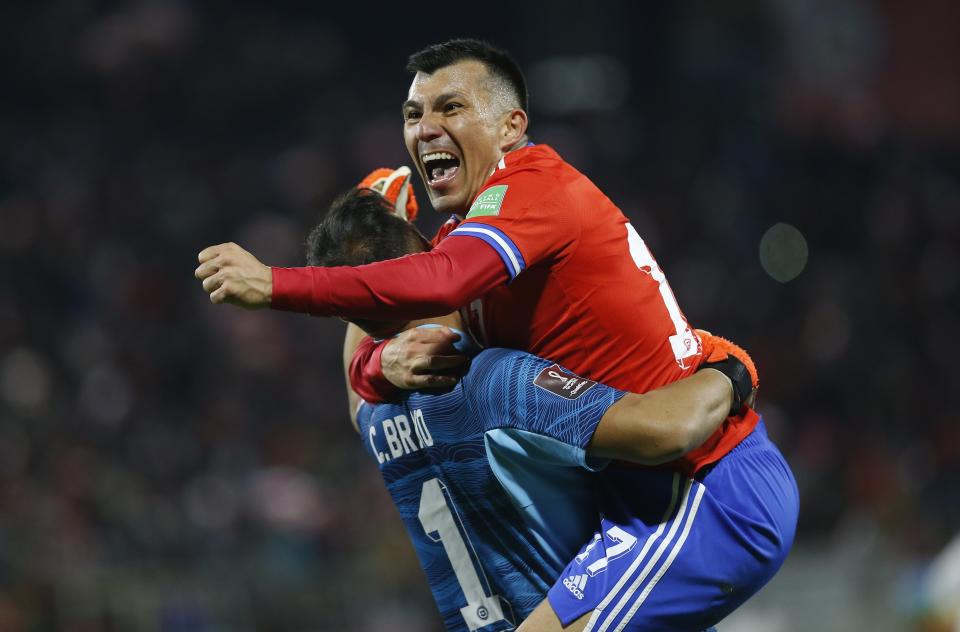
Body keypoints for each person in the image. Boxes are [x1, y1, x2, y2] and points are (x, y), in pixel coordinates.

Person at [194, 39, 799, 629]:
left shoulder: (535, 192)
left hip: (705, 485)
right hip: (635, 501)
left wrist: (277, 285)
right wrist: (378, 366)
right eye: (413, 114)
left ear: (511, 125)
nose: (425, 126)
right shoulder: (473, 251)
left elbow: (437, 287)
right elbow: (403, 317)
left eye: (450, 107)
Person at [310, 187, 754, 631]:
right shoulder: (497, 383)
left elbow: (360, 337)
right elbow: (661, 432)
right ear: (427, 261)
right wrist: (731, 374)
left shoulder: (373, 416)